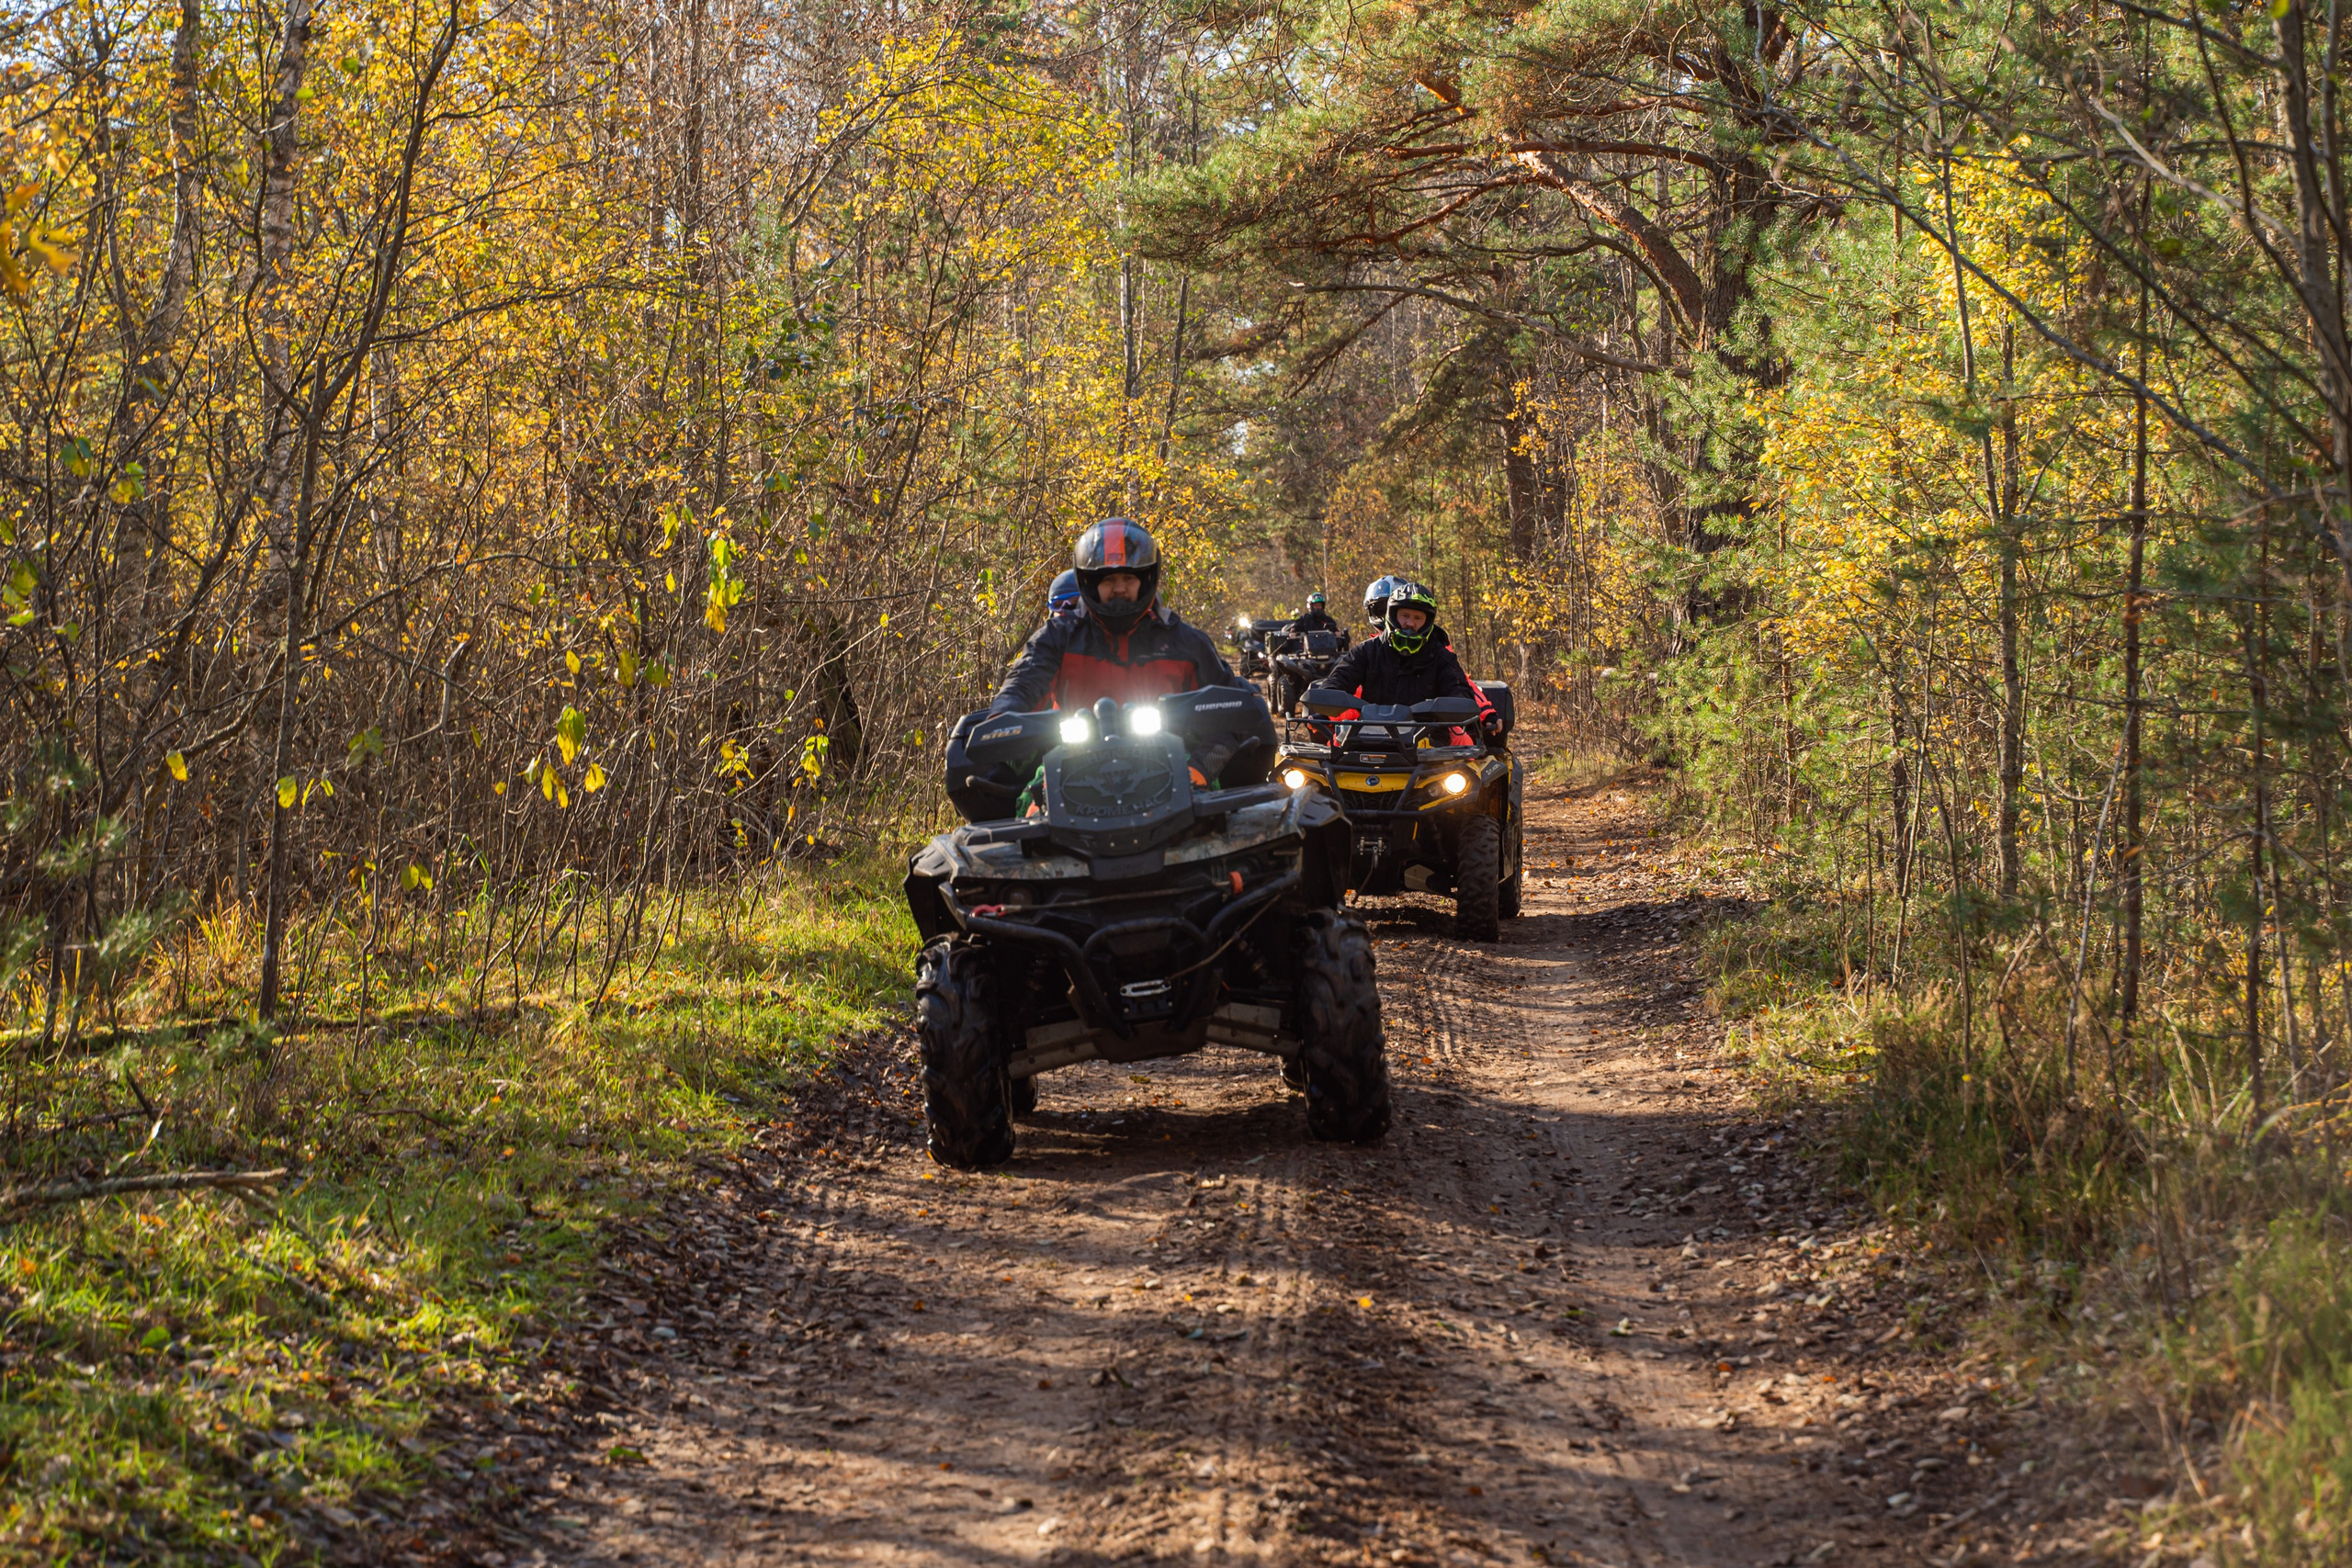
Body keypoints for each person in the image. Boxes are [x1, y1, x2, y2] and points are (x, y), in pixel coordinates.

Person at [989, 518, 1250, 784]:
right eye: (1108, 579)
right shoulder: (1056, 638)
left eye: (1129, 577)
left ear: (1146, 578)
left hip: (1172, 767)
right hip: (1069, 766)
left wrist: (1198, 770)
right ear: (1089, 582)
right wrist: (1001, 720)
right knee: (1030, 807)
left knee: (1231, 820)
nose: (1120, 588)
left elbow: (1230, 716)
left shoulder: (1186, 643)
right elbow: (1022, 685)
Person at [1312, 580, 1501, 742]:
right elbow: (1339, 680)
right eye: (1405, 616)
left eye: (1418, 617)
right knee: (1330, 752)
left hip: (1430, 739)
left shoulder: (1442, 656)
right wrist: (1325, 706)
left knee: (1464, 745)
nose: (1410, 623)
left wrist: (1460, 708)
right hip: (1369, 736)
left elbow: (1461, 689)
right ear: (1392, 615)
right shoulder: (1366, 651)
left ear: (1428, 622)